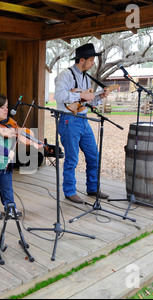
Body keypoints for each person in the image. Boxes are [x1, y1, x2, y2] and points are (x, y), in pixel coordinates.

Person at [54, 43, 109, 204]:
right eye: (91, 60)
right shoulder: (66, 75)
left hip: (83, 120)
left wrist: (98, 97)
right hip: (68, 120)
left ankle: (93, 188)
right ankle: (70, 191)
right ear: (82, 60)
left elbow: (85, 102)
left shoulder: (86, 77)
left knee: (94, 155)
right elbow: (59, 96)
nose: (93, 63)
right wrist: (81, 96)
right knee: (72, 158)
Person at [0, 94, 42, 220]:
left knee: (7, 189)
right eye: (2, 107)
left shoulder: (7, 127)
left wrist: (33, 142)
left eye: (6, 106)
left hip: (4, 166)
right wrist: (8, 152)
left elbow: (22, 136)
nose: (6, 109)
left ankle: (10, 208)